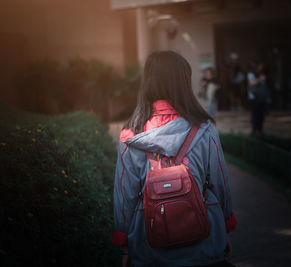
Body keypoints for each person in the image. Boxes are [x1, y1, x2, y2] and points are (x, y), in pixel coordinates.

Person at [112, 51, 237, 266]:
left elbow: (125, 197)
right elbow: (220, 184)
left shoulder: (131, 135)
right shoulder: (205, 130)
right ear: (184, 83)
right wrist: (223, 228)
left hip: (150, 248)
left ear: (147, 82)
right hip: (204, 245)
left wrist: (124, 245)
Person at [247, 62, 270, 136]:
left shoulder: (261, 75)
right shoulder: (251, 74)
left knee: (261, 115)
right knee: (255, 114)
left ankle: (259, 130)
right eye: (259, 67)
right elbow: (252, 83)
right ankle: (255, 130)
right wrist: (260, 79)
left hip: (262, 98)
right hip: (255, 98)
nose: (261, 69)